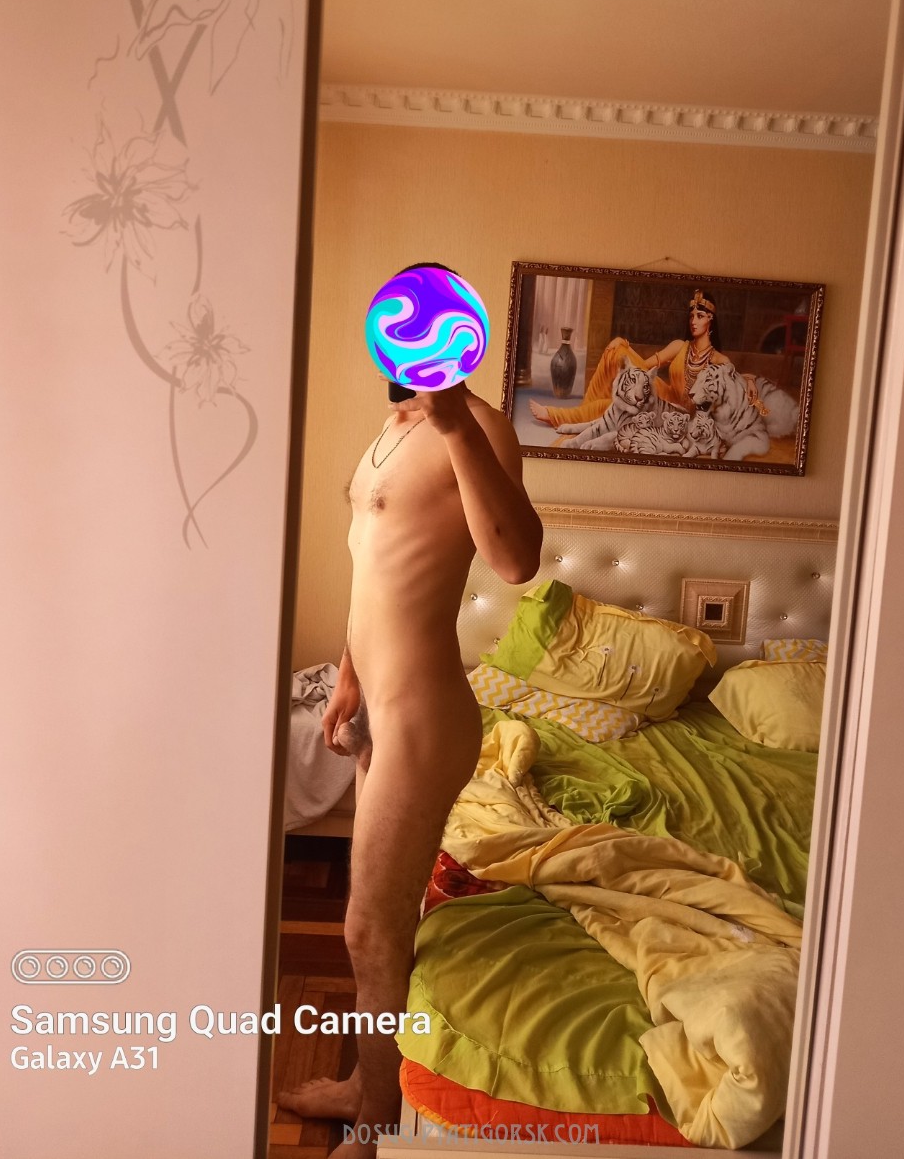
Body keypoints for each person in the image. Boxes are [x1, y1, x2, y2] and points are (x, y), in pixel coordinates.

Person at [279, 263, 543, 1159]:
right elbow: (373, 565)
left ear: (461, 336)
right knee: (377, 918)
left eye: (432, 323)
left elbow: (517, 561)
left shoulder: (481, 427)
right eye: (404, 323)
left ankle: (375, 1124)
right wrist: (348, 676)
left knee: (367, 925)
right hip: (378, 705)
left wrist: (456, 421)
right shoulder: (386, 433)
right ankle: (368, 1083)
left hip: (425, 716)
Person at [528, 288, 762, 428]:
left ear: (711, 320)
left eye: (700, 316)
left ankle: (559, 416)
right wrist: (622, 346)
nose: (693, 321)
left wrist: (750, 379)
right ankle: (583, 412)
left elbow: (735, 381)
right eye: (691, 315)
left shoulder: (719, 360)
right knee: (617, 350)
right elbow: (643, 367)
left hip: (677, 413)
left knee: (613, 406)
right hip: (663, 393)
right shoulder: (680, 346)